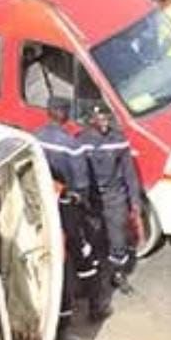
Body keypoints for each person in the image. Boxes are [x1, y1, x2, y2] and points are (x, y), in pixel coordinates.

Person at [36, 97, 102, 326]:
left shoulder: (35, 138)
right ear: (62, 113)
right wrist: (84, 203)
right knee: (84, 253)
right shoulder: (70, 144)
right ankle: (94, 306)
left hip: (44, 204)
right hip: (67, 205)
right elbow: (82, 182)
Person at [80, 106, 141, 296]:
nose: (105, 123)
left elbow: (129, 173)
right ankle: (94, 280)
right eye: (100, 119)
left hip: (115, 196)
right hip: (92, 198)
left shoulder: (118, 140)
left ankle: (118, 274)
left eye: (107, 119)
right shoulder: (81, 141)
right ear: (91, 120)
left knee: (118, 238)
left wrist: (134, 200)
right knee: (93, 238)